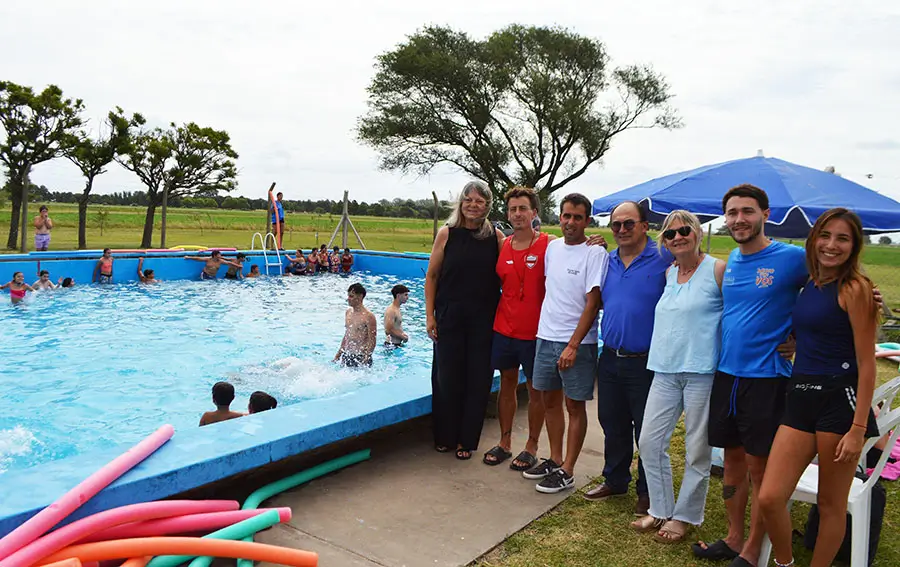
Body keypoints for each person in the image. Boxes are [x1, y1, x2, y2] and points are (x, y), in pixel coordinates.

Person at [693, 184, 808, 567]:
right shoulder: (732, 260)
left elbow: (830, 291)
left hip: (767, 378)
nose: (739, 219)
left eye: (747, 211)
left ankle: (753, 549)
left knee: (760, 468)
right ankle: (733, 537)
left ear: (765, 214)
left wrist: (800, 337)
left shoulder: (791, 258)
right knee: (732, 460)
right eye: (732, 213)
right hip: (727, 375)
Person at [759, 208, 879, 567]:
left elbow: (867, 363)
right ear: (813, 240)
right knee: (769, 497)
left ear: (854, 246)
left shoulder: (855, 288)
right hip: (801, 395)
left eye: (843, 238)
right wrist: (796, 342)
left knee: (830, 504)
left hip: (838, 401)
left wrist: (858, 429)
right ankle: (785, 563)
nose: (831, 245)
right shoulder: (812, 283)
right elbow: (821, 328)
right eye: (825, 236)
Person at [631, 210, 725, 543]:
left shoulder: (717, 270)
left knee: (697, 449)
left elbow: (740, 313)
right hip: (665, 368)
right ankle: (660, 508)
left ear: (697, 232)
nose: (678, 237)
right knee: (649, 442)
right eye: (670, 234)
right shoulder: (670, 272)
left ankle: (684, 515)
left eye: (684, 230)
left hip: (702, 371)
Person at [584, 201, 672, 516]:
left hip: (645, 361)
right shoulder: (605, 260)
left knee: (647, 429)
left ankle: (648, 492)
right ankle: (615, 479)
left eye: (628, 224)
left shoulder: (664, 258)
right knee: (612, 422)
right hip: (610, 357)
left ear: (644, 226)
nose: (621, 230)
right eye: (616, 224)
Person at [525, 193, 609, 493]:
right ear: (559, 217)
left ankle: (568, 470)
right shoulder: (552, 248)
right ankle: (555, 459)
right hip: (546, 336)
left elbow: (593, 303)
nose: (571, 222)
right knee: (549, 400)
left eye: (577, 217)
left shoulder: (595, 253)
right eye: (566, 216)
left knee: (574, 405)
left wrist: (573, 344)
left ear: (587, 221)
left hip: (577, 343)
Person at [425, 180, 503, 460]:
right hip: (449, 316)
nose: (473, 205)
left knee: (478, 379)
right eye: (468, 200)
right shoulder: (447, 234)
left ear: (487, 206)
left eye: (479, 201)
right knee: (447, 378)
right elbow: (432, 276)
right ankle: (445, 436)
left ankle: (466, 440)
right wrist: (430, 315)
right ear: (460, 203)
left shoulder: (495, 237)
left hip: (484, 320)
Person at [484, 186, 552, 470]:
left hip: (535, 332)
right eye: (512, 209)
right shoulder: (503, 244)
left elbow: (576, 250)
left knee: (536, 390)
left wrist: (593, 242)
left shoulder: (549, 243)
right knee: (507, 383)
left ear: (534, 212)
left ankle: (532, 445)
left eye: (523, 208)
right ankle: (505, 442)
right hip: (504, 328)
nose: (517, 214)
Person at [334, 283, 378, 367]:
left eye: (351, 296)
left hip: (361, 356)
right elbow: (347, 335)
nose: (348, 299)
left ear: (360, 297)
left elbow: (372, 340)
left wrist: (366, 358)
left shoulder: (369, 316)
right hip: (347, 355)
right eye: (348, 296)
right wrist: (338, 354)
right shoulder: (348, 312)